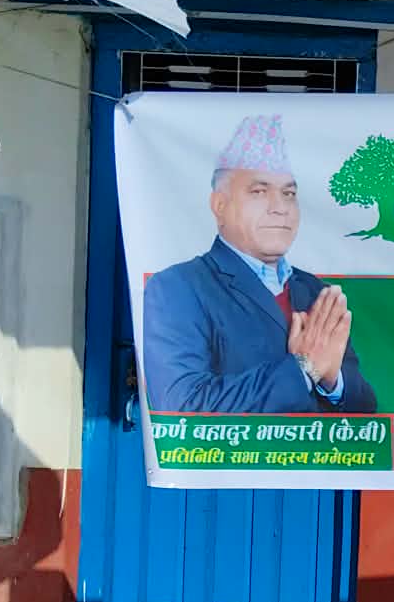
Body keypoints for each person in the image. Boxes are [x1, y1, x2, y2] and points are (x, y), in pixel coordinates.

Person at [141, 113, 378, 414]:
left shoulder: (316, 292)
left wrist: (333, 380)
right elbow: (181, 404)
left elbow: (364, 408)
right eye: (259, 191)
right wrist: (304, 370)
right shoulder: (179, 288)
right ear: (220, 205)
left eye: (289, 193)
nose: (280, 208)